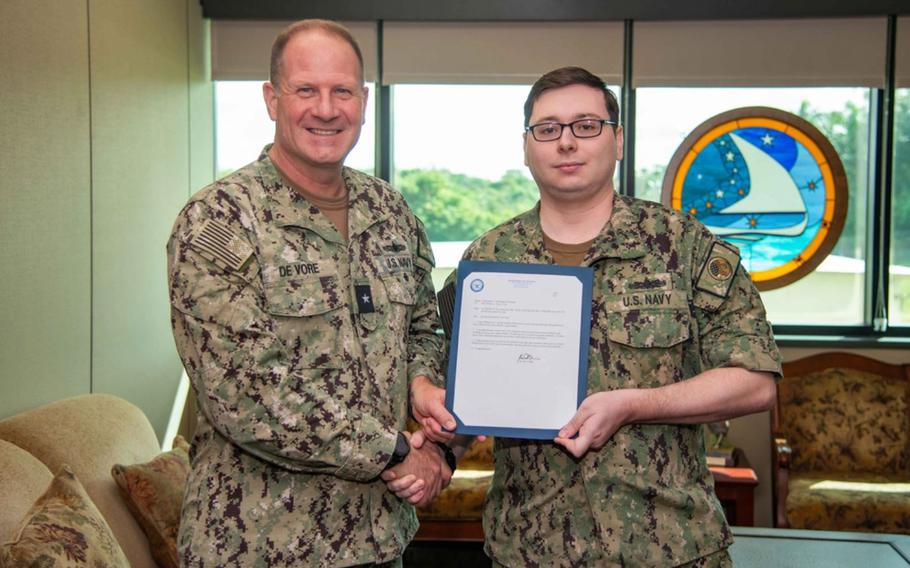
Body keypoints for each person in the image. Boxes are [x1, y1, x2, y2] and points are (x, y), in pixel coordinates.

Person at [409, 67, 782, 567]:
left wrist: (634, 404)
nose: (566, 142)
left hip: (671, 548)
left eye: (586, 125)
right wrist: (437, 444)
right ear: (526, 148)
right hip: (531, 548)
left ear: (618, 139)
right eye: (547, 128)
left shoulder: (683, 246)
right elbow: (469, 393)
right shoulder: (488, 258)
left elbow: (755, 382)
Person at [167, 19, 452, 567]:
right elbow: (245, 391)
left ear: (364, 101)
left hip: (376, 539)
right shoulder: (219, 222)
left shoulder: (391, 213)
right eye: (306, 90)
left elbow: (422, 324)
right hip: (258, 544)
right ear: (272, 99)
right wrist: (395, 453)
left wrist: (421, 383)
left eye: (342, 90)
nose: (326, 109)